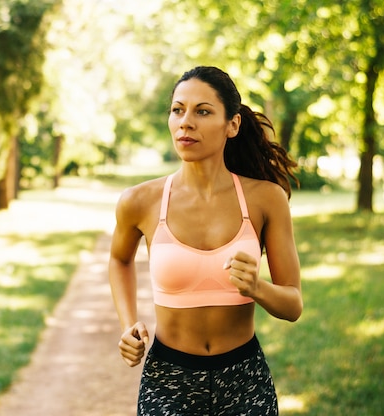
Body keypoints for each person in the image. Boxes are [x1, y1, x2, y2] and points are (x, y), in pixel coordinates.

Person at [108, 66, 302, 415]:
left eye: (203, 111)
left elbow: (292, 305)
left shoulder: (265, 200)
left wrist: (257, 287)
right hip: (168, 380)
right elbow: (119, 259)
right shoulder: (140, 201)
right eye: (177, 109)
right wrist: (128, 324)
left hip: (245, 380)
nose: (186, 122)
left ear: (233, 125)